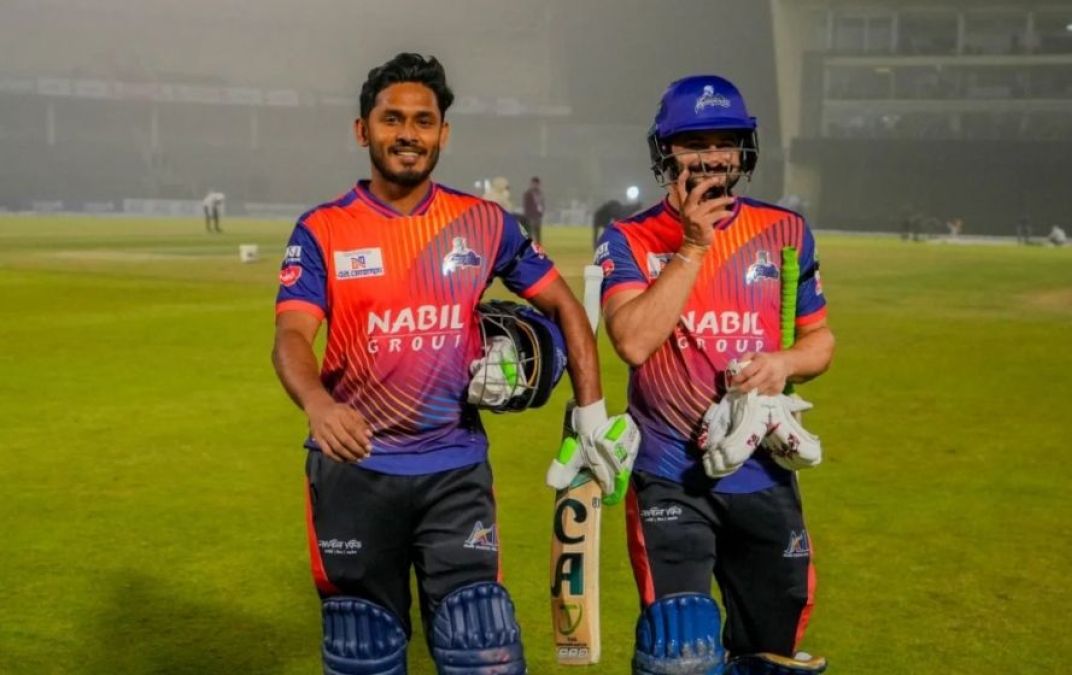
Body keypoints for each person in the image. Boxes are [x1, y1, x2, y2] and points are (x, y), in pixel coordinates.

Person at [271, 53, 637, 675]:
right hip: (354, 473)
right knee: (362, 649)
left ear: (443, 133)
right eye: (391, 119)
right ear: (362, 130)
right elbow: (290, 336)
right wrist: (318, 404)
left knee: (481, 645)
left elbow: (566, 307)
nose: (407, 133)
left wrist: (592, 415)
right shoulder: (323, 229)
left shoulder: (483, 222)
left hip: (454, 471)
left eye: (423, 120)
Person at [596, 75, 835, 673]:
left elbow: (820, 341)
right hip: (669, 475)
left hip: (763, 472)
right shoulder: (627, 238)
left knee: (772, 652)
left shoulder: (785, 231)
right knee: (678, 649)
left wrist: (784, 363)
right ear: (665, 151)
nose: (710, 157)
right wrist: (693, 246)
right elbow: (632, 341)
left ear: (743, 149)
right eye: (693, 143)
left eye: (724, 142)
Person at [522, 176, 545, 244]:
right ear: (531, 183)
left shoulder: (540, 193)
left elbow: (542, 204)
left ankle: (538, 246)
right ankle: (529, 247)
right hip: (530, 216)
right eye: (534, 183)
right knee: (529, 233)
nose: (535, 185)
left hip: (538, 216)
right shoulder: (528, 193)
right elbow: (526, 205)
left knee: (538, 234)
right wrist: (527, 216)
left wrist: (541, 212)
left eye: (537, 183)